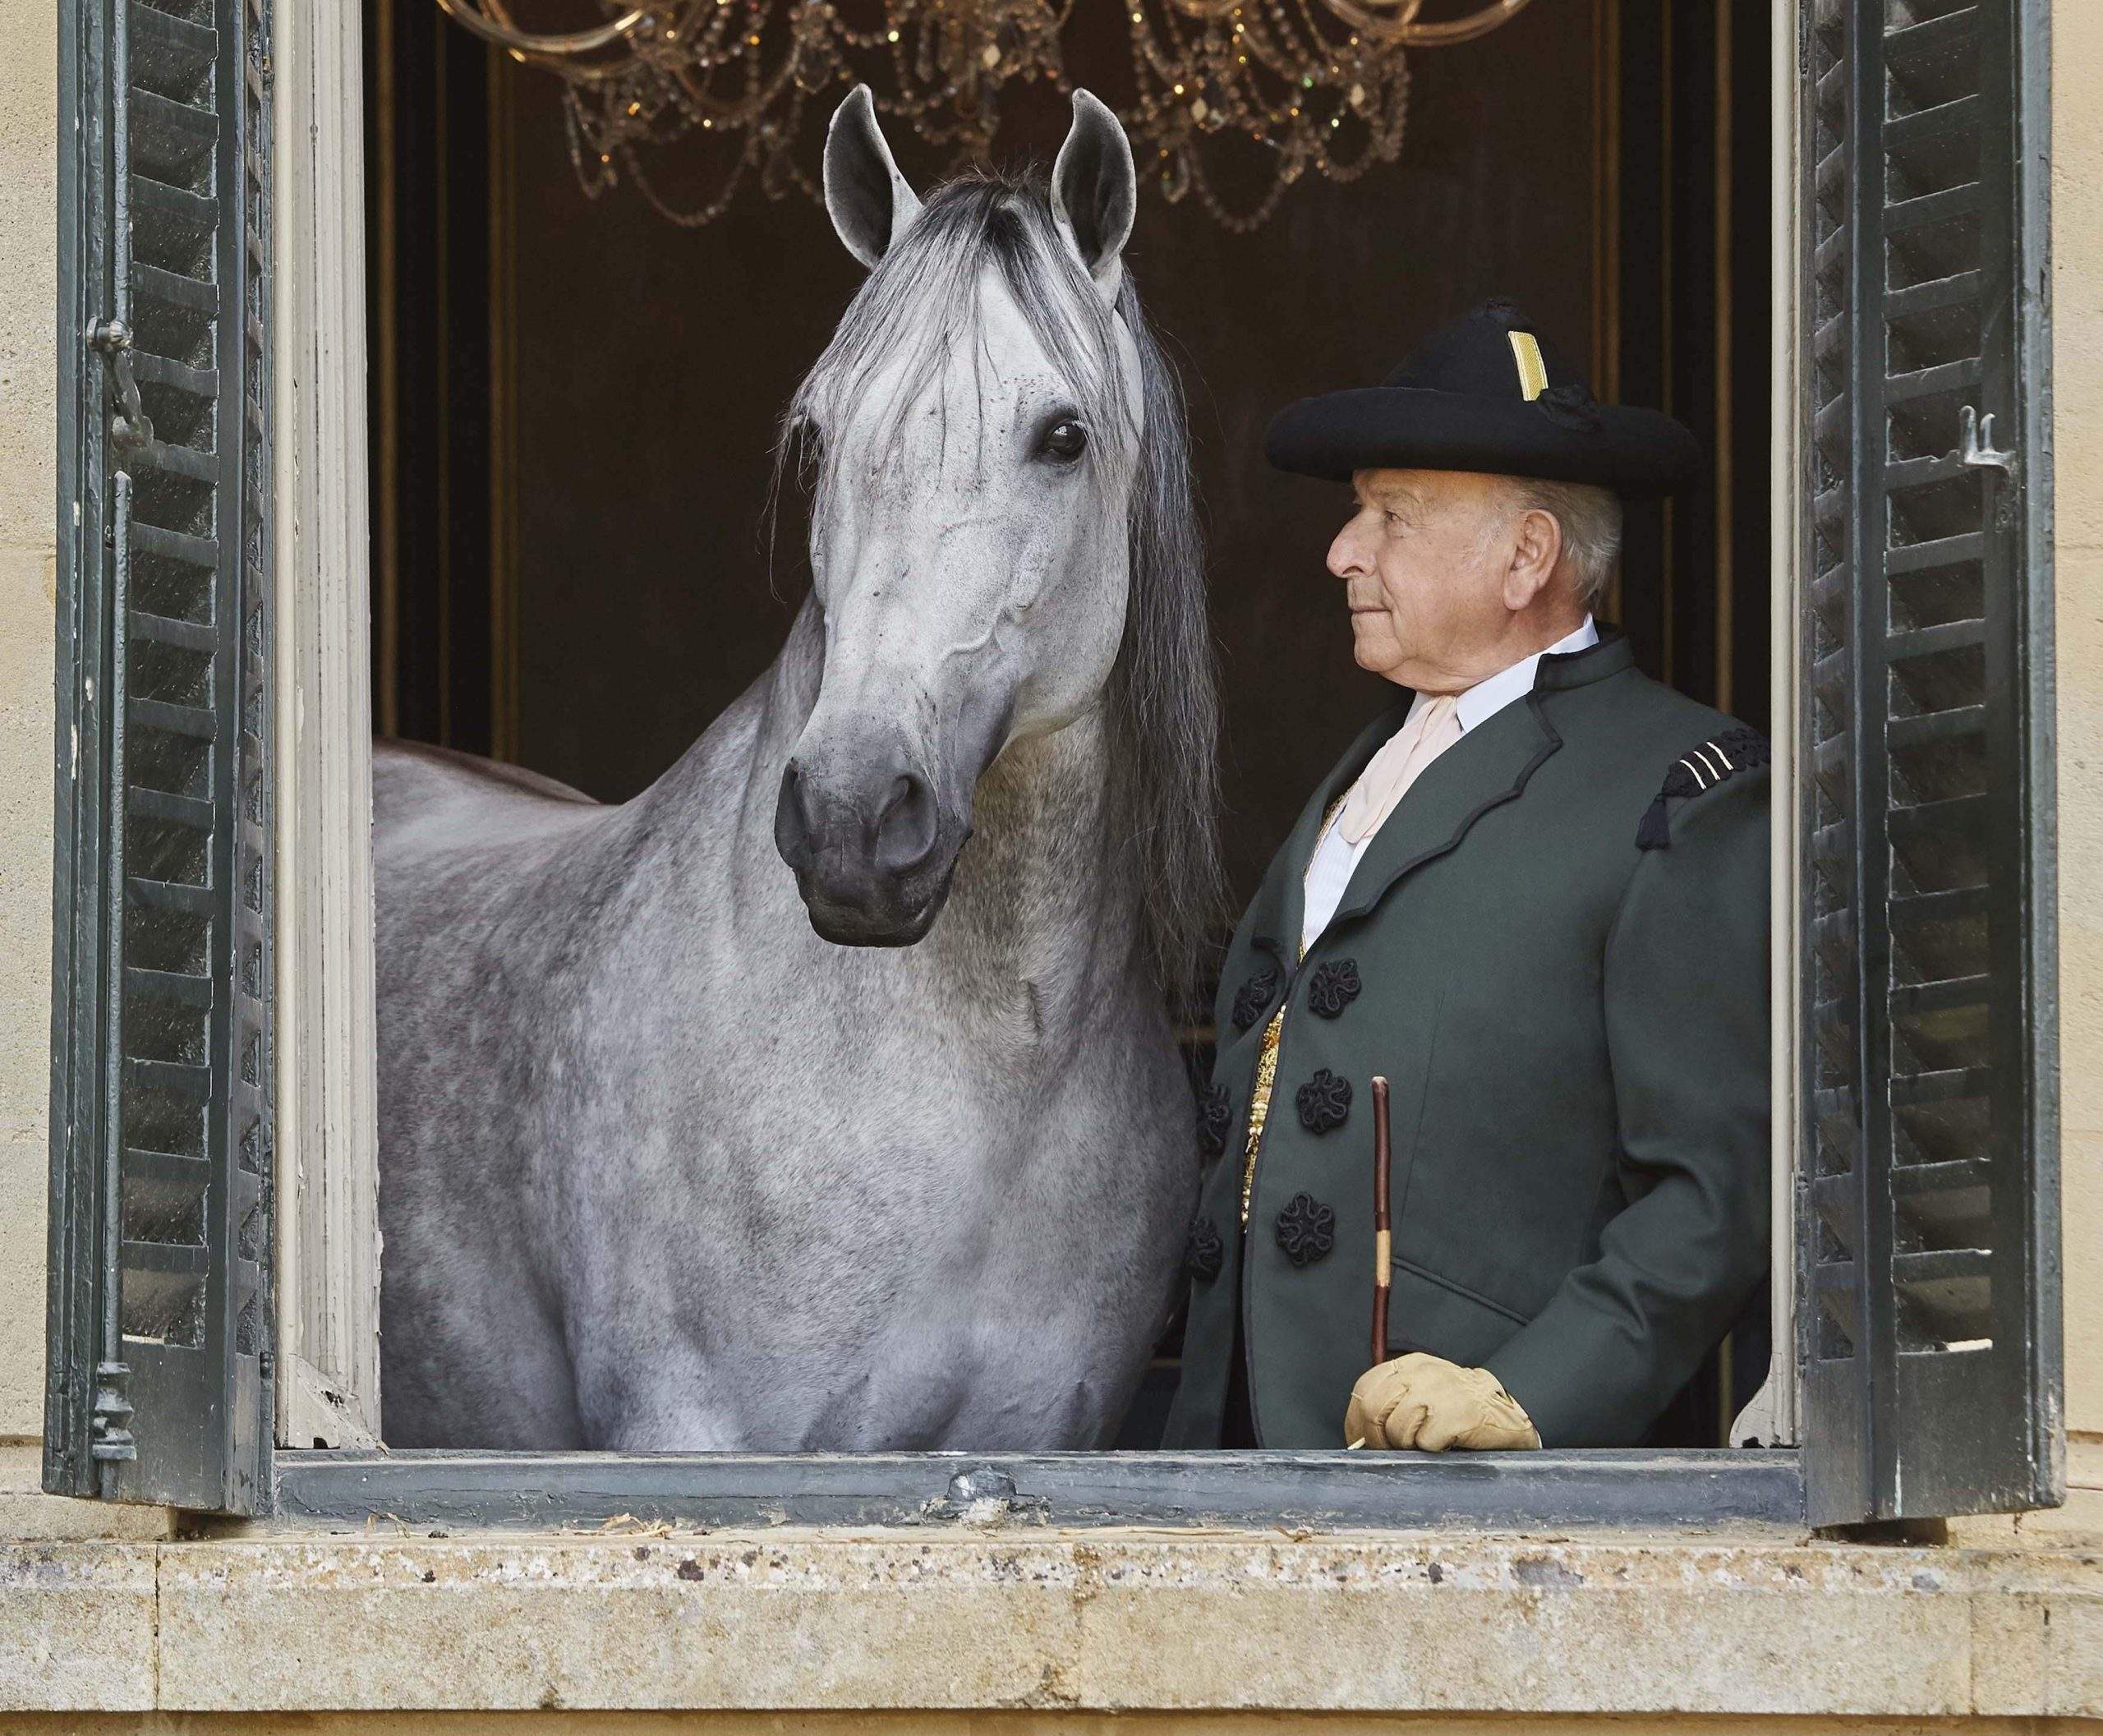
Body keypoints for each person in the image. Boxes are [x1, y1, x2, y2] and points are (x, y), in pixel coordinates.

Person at [1162, 298, 1769, 1452]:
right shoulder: (1369, 760)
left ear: (1526, 556)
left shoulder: (1683, 790)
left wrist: (1529, 1393)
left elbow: (1713, 1199)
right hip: (1241, 1463)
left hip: (1473, 1500)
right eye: (1357, 514)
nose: (1344, 551)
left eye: (1391, 515)